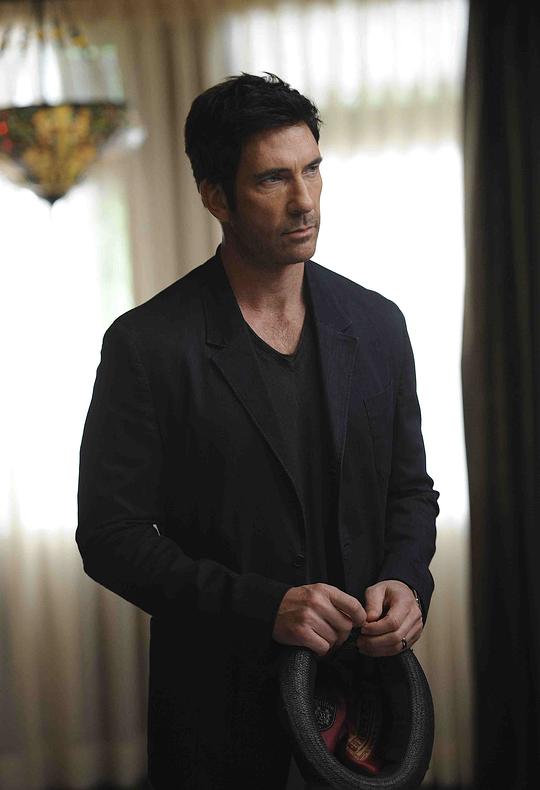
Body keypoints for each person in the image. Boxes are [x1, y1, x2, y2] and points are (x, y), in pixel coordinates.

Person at [76, 72, 438, 790]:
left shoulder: (378, 324)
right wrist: (262, 607)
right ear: (216, 197)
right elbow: (110, 537)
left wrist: (406, 577)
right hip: (217, 713)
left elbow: (409, 490)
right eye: (273, 179)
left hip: (368, 707)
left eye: (312, 169)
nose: (305, 201)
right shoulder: (146, 344)